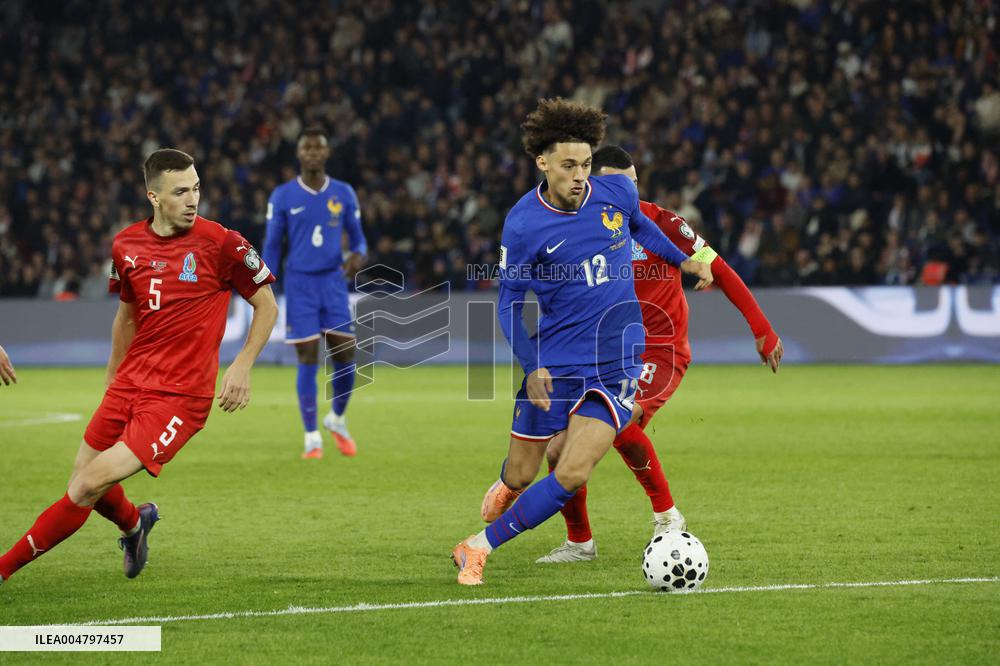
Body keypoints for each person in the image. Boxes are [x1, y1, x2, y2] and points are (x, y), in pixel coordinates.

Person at [450, 98, 715, 585]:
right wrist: (531, 365)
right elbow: (508, 302)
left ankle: (476, 547)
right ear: (542, 163)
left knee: (572, 472)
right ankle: (511, 485)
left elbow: (644, 228)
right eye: (569, 165)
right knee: (525, 471)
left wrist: (686, 260)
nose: (580, 175)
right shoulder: (524, 223)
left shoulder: (614, 193)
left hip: (617, 362)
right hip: (556, 363)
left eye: (586, 164)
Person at [482, 145, 784, 563]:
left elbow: (719, 269)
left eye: (634, 181)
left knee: (620, 422)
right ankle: (579, 543)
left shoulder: (663, 222)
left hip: (660, 351)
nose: (631, 189)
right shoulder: (585, 223)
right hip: (606, 350)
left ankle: (667, 515)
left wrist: (762, 328)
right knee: (557, 452)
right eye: (622, 181)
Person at [0, 149, 278, 585]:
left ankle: (3, 570)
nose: (193, 200)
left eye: (197, 189)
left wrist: (242, 365)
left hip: (180, 397)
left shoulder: (223, 243)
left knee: (85, 485)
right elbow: (126, 316)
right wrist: (114, 379)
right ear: (153, 196)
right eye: (181, 191)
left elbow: (266, 305)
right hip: (130, 383)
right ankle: (135, 524)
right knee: (86, 479)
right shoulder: (126, 245)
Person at [263, 127, 367, 459]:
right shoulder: (282, 196)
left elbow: (359, 239)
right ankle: (312, 437)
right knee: (308, 355)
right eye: (306, 148)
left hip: (333, 282)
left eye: (317, 147)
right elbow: (272, 245)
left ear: (326, 153)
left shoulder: (344, 193)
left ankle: (336, 418)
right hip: (300, 284)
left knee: (346, 354)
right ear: (299, 154)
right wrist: (264, 283)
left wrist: (357, 255)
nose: (311, 153)